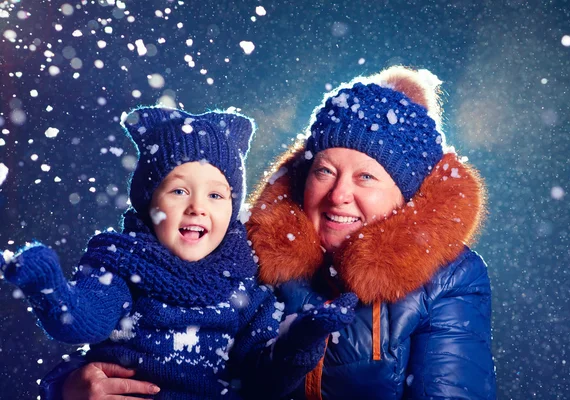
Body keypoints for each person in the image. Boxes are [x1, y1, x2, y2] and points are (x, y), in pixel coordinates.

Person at [56, 65, 496, 399]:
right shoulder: (243, 247)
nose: (338, 195)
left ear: (406, 195)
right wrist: (68, 385)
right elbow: (142, 329)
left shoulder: (449, 278)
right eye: (325, 171)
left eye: (366, 178)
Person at [1, 106, 357, 399]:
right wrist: (50, 288)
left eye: (216, 195)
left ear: (232, 209)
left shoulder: (246, 286)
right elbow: (83, 319)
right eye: (178, 192)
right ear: (148, 202)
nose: (197, 207)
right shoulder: (124, 266)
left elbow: (265, 382)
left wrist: (302, 341)